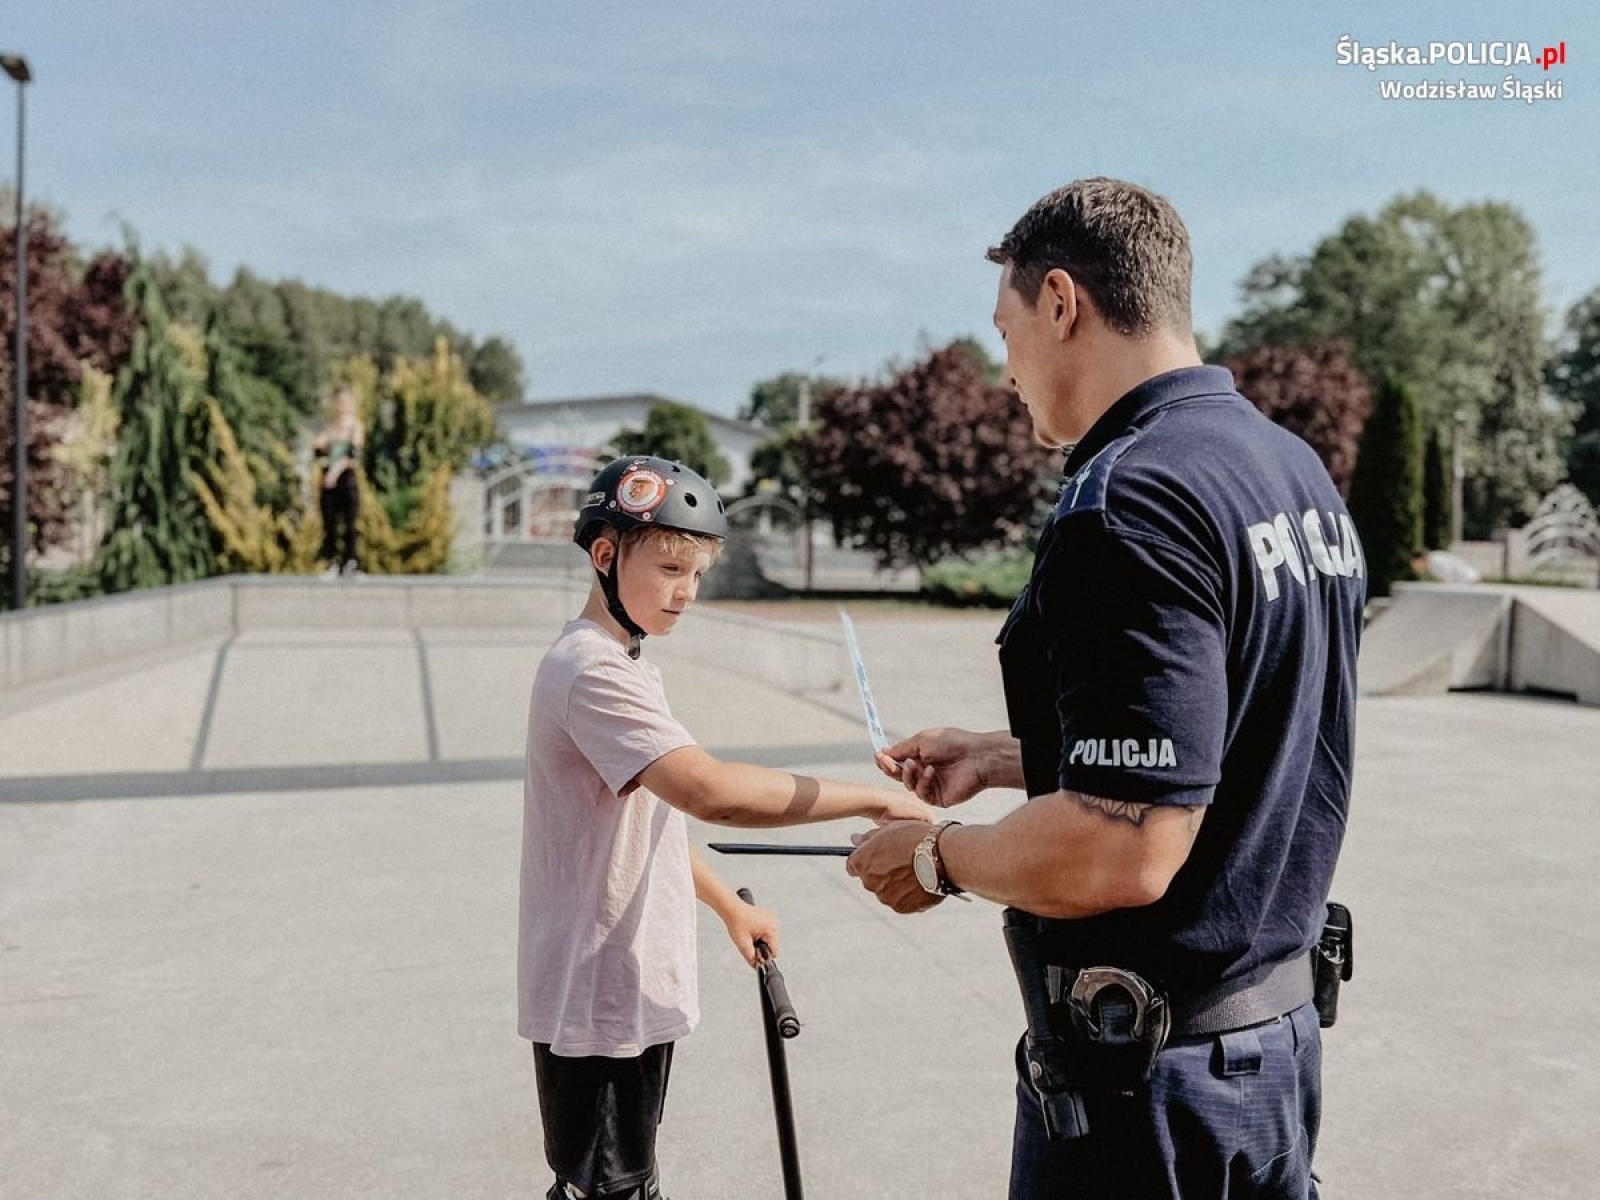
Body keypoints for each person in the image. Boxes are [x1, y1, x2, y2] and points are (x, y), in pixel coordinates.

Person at [845, 179, 1367, 1199]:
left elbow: (1122, 848)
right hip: (1273, 1053)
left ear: (1059, 302)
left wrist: (937, 859)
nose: (1006, 374)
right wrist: (1007, 758)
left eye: (1005, 332)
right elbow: (1249, 728)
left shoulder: (1125, 498)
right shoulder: (1287, 469)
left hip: (1152, 1099)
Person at [521, 454, 935, 1200]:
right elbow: (711, 793)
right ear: (607, 556)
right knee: (609, 1190)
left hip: (624, 989)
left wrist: (728, 907)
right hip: (598, 1001)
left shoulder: (627, 661)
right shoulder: (594, 672)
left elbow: (643, 829)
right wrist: (869, 801)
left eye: (699, 574)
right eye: (672, 567)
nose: (687, 592)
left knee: (620, 1184)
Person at [313, 386, 364, 576]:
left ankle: (351, 561)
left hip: (345, 479)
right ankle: (331, 562)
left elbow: (354, 456)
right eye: (339, 402)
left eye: (346, 402)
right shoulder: (329, 428)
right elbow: (318, 451)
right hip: (328, 482)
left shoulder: (355, 427)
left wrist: (335, 470)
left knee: (350, 523)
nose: (342, 406)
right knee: (330, 523)